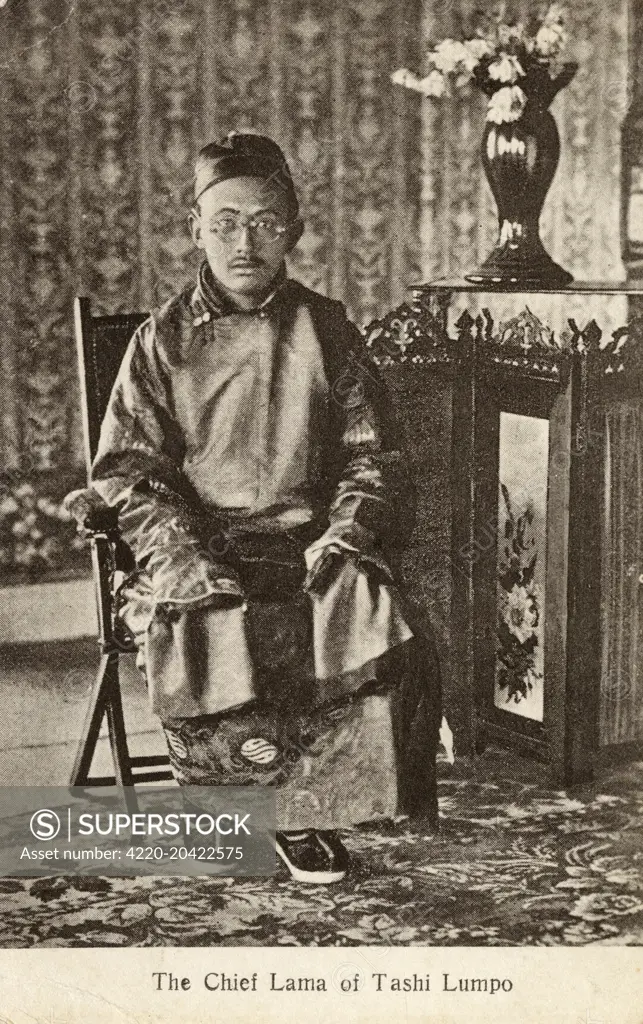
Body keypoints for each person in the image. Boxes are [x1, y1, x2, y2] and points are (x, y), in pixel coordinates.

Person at [72, 132, 442, 884]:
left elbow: (371, 452)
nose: (246, 241)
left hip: (307, 535)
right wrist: (185, 559)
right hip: (203, 539)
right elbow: (130, 471)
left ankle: (329, 803)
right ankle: (261, 817)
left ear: (294, 230)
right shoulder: (160, 340)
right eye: (226, 221)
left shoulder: (326, 327)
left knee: (371, 605)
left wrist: (344, 533)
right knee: (218, 616)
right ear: (196, 229)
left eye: (267, 222)